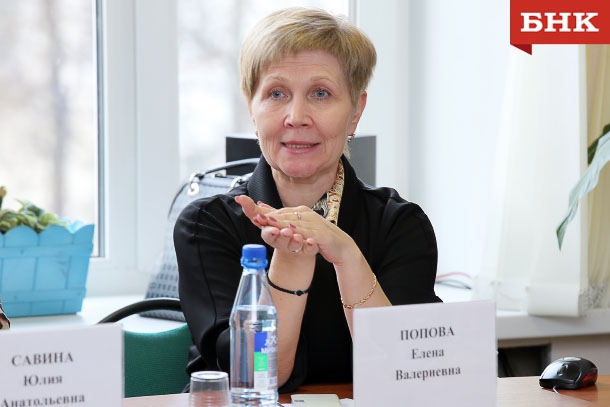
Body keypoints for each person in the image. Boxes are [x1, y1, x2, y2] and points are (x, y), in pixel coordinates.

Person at [174, 6, 442, 392]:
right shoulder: (207, 224)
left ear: (355, 112)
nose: (296, 116)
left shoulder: (399, 225)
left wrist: (347, 255)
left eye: (320, 93)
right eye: (276, 93)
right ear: (252, 108)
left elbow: (408, 374)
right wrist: (292, 258)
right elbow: (252, 376)